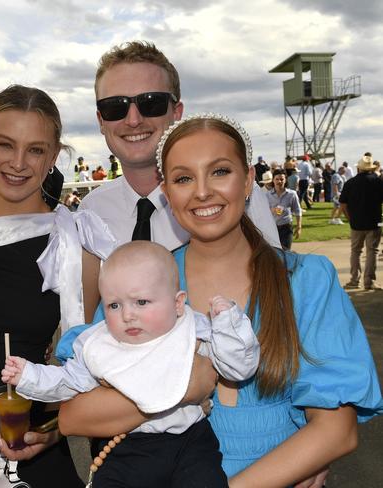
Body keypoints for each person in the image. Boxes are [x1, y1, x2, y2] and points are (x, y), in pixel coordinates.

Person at [60, 113, 382, 487]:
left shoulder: (306, 280)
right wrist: (187, 386)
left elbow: (336, 429)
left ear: (247, 181)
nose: (201, 192)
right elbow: (75, 415)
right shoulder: (142, 281)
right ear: (167, 193)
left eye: (219, 172)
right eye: (183, 178)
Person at [0, 85, 114, 487]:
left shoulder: (72, 241)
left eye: (35, 149)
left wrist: (51, 432)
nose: (18, 163)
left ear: (53, 156)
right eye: (4, 144)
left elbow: (80, 366)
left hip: (25, 455)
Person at [4, 241, 258, 488]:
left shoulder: (193, 329)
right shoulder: (99, 344)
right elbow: (67, 380)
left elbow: (238, 367)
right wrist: (29, 374)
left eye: (141, 302)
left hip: (191, 443)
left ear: (178, 303)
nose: (127, 315)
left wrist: (228, 325)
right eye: (114, 305)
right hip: (127, 446)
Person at [78, 40, 280, 252]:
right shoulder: (91, 211)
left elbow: (274, 276)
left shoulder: (235, 198)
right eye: (114, 107)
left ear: (176, 113)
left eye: (151, 102)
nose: (133, 120)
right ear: (101, 120)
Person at [340, 154, 383, 290]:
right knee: (372, 251)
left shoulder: (350, 183)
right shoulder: (378, 182)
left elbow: (343, 205)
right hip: (375, 222)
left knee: (355, 251)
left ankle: (354, 280)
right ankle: (369, 281)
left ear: (358, 168)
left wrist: (349, 218)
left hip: (356, 223)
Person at [266, 169, 302, 251]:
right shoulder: (267, 195)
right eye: (277, 179)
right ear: (273, 180)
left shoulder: (292, 194)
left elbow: (297, 211)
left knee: (286, 252)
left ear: (285, 180)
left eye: (282, 179)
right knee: (274, 253)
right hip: (272, 229)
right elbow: (262, 212)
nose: (279, 181)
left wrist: (299, 226)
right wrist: (272, 210)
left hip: (286, 228)